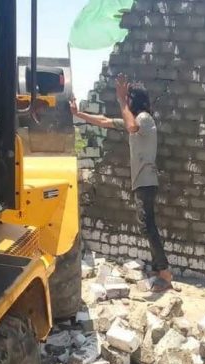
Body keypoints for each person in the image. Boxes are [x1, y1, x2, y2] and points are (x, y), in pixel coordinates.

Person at [70, 75, 172, 291]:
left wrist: (121, 101)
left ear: (135, 100)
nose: (126, 102)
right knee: (147, 225)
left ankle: (164, 272)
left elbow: (132, 127)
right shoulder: (134, 120)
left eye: (129, 98)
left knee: (147, 226)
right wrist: (78, 114)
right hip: (141, 181)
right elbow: (105, 121)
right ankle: (158, 268)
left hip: (146, 181)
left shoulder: (144, 118)